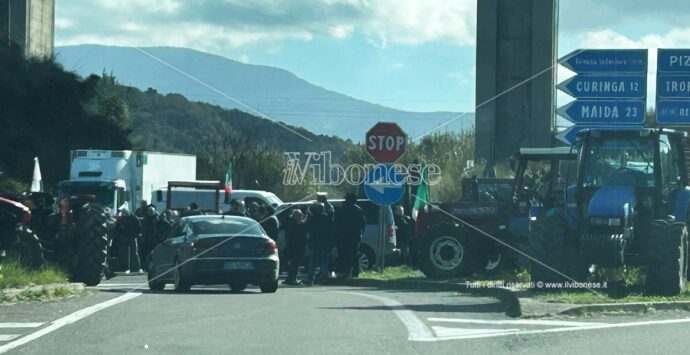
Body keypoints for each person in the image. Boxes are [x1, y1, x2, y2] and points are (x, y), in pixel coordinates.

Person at [335, 193, 366, 278]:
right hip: (355, 236)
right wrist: (361, 234)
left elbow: (336, 223)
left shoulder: (340, 209)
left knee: (343, 254)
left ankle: (345, 271)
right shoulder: (358, 210)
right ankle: (355, 272)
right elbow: (363, 224)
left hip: (342, 236)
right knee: (354, 254)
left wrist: (336, 235)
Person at [303, 202, 335, 285]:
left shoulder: (312, 218)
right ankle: (323, 277)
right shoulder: (328, 218)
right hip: (325, 243)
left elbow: (306, 228)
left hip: (314, 243)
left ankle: (311, 277)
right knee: (324, 261)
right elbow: (332, 231)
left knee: (313, 261)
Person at [283, 209, 308, 285]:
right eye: (300, 215)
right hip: (296, 247)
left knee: (292, 263)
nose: (301, 216)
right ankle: (293, 278)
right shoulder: (298, 224)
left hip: (291, 246)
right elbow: (301, 236)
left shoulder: (289, 223)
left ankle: (289, 278)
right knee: (295, 264)